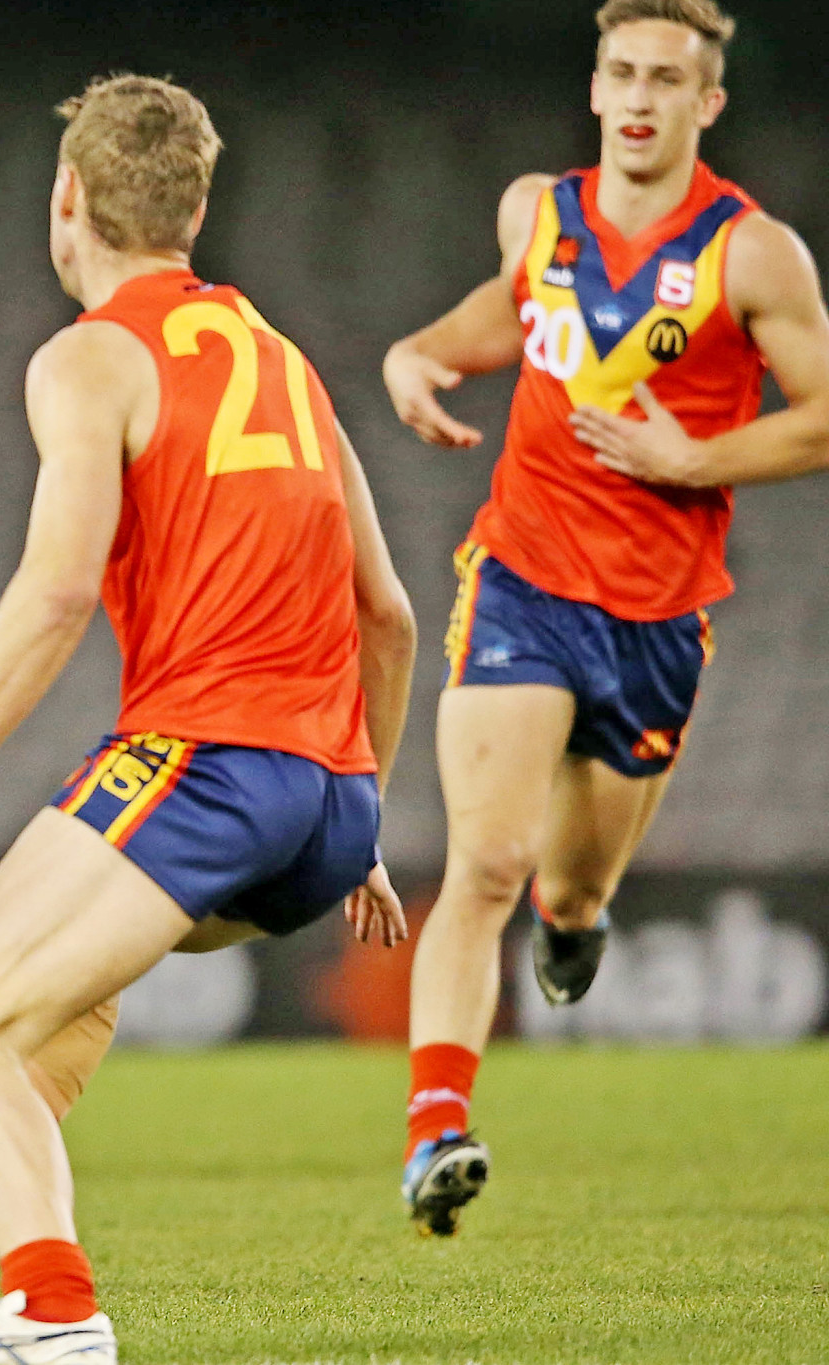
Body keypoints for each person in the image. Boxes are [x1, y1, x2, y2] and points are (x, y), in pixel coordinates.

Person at [0, 74, 416, 1361]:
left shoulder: (86, 355)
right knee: (62, 995)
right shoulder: (287, 363)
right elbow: (388, 615)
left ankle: (58, 1319)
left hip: (209, 763)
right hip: (329, 803)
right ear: (194, 209)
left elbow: (59, 584)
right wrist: (366, 815)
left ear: (63, 199)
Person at [382, 0, 829, 1237]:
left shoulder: (753, 255)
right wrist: (415, 356)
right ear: (592, 88)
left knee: (567, 891)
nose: (637, 97)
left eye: (663, 80)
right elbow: (507, 311)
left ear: (706, 104)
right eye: (619, 73)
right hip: (523, 572)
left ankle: (573, 926)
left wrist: (696, 462)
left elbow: (822, 411)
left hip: (656, 615)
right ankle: (433, 1131)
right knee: (484, 860)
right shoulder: (538, 212)